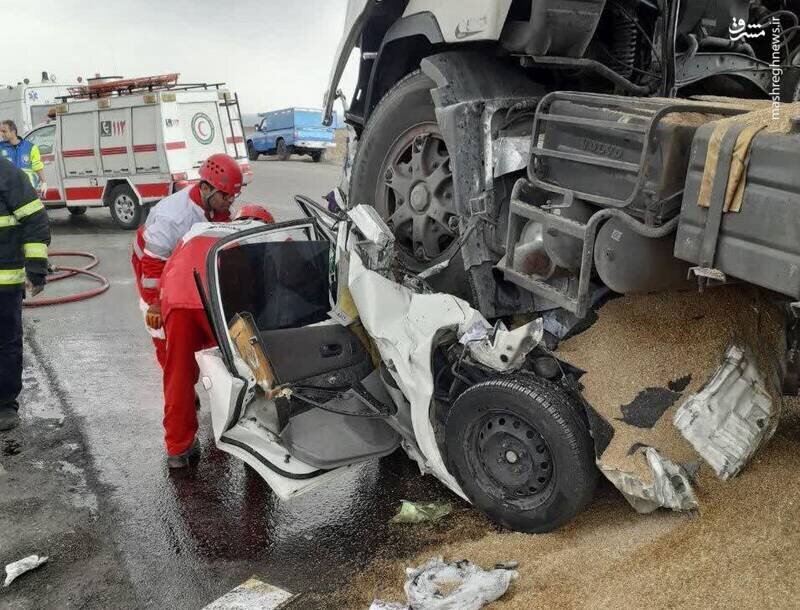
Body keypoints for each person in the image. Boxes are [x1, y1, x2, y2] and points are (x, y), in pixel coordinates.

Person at [156, 203, 274, 468]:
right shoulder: (262, 232)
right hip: (222, 304)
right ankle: (257, 446)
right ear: (266, 221)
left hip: (178, 299)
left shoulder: (199, 229)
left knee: (178, 374)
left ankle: (178, 448)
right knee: (254, 371)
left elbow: (170, 269)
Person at [131, 153, 243, 368]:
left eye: (233, 196)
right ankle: (174, 374)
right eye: (225, 196)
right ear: (205, 188)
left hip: (181, 261)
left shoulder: (216, 207)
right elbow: (153, 267)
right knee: (162, 328)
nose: (230, 201)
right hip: (153, 263)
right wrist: (155, 303)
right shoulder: (173, 217)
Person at [0, 157, 50, 431]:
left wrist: (36, 270)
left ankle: (4, 405)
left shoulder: (7, 174)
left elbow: (35, 220)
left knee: (6, 343)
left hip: (3, 285)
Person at [0, 120, 46, 196]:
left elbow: (37, 166)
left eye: (4, 131)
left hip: (28, 190)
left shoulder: (31, 147)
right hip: (8, 192)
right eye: (0, 131)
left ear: (13, 132)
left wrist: (44, 182)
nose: (2, 134)